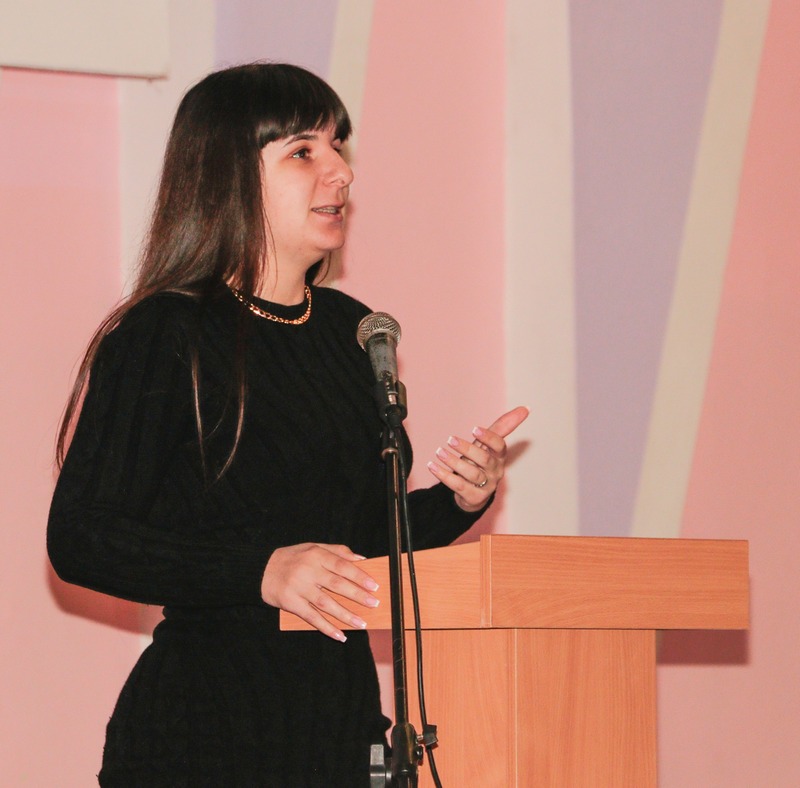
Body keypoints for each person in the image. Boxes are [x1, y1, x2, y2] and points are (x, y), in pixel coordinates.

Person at [47, 62, 528, 786]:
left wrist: (459, 500)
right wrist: (260, 571)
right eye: (304, 151)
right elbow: (82, 537)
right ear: (227, 178)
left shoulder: (349, 330)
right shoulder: (165, 333)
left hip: (339, 734)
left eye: (338, 146)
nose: (341, 172)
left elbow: (356, 545)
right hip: (202, 738)